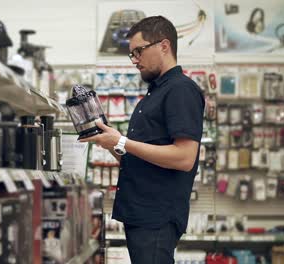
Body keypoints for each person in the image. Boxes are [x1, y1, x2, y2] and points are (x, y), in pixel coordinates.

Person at [80, 16, 205, 263]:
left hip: (156, 216)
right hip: (140, 213)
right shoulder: (154, 94)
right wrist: (109, 140)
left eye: (139, 51)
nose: (135, 60)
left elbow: (184, 158)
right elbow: (140, 159)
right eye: (132, 54)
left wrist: (122, 141)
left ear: (164, 46)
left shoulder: (180, 90)